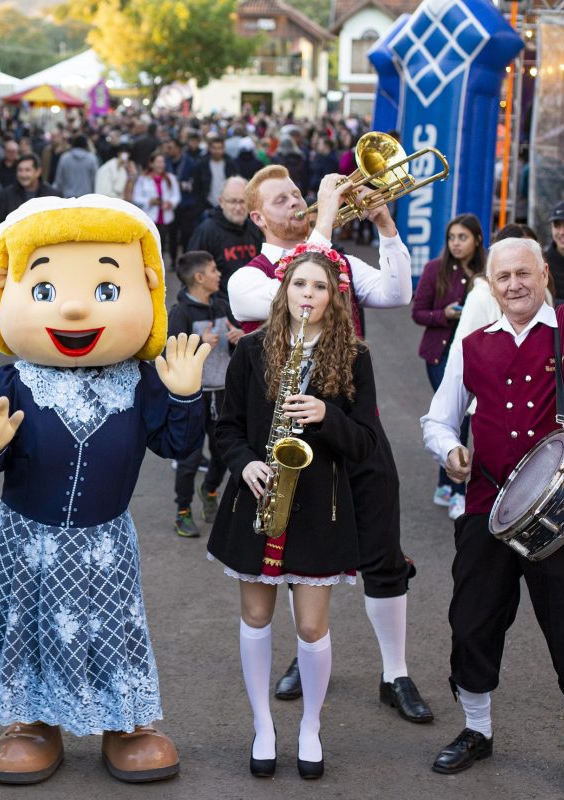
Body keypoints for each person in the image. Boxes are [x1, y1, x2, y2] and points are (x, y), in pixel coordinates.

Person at [0, 194, 207, 785]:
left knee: (111, 628)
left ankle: (124, 722)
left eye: (105, 291)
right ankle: (32, 723)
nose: (72, 309)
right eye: (43, 292)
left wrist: (186, 395)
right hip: (24, 540)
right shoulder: (16, 379)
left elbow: (175, 446)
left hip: (103, 543)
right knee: (28, 626)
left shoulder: (136, 377)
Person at [420, 128, 564, 796]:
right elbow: (437, 417)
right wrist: (449, 449)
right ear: (491, 283)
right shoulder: (474, 339)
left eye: (525, 272)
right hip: (486, 506)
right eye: (503, 275)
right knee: (473, 623)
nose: (514, 283)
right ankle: (478, 729)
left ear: (546, 275)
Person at [227, 166, 429, 721]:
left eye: (300, 194)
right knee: (300, 555)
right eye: (283, 199)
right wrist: (329, 218)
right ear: (257, 216)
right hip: (290, 441)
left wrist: (385, 222)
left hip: (356, 430)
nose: (298, 203)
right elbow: (299, 289)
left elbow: (395, 291)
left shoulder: (335, 259)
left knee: (383, 553)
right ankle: (305, 653)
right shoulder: (249, 278)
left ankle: (396, 672)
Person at [209, 245, 380, 780]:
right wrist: (243, 466)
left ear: (335, 297)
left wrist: (327, 414)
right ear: (285, 291)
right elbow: (226, 427)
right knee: (256, 617)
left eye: (321, 288)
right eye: (301, 285)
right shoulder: (254, 350)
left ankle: (310, 726)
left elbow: (366, 443)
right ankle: (263, 725)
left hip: (320, 508)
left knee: (310, 627)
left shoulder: (353, 355)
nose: (309, 295)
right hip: (257, 498)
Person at [411, 214, 486, 520]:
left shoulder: (485, 273)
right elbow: (418, 312)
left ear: (477, 240)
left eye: (463, 237)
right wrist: (445, 315)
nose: (456, 243)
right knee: (458, 419)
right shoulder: (434, 269)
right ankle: (458, 491)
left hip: (476, 356)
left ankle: (445, 484)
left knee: (462, 419)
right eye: (452, 237)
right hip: (440, 357)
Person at [168, 251, 242, 536]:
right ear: (199, 278)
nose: (219, 274)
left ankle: (209, 490)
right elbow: (169, 353)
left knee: (224, 452)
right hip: (194, 397)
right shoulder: (181, 313)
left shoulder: (222, 305)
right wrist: (198, 342)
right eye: (213, 270)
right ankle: (182, 511)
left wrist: (238, 339)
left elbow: (235, 344)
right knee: (190, 456)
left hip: (223, 393)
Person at [185, 176, 264, 292]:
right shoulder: (206, 231)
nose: (238, 207)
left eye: (242, 201)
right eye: (232, 201)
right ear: (221, 202)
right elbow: (191, 274)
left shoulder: (255, 229)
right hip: (218, 305)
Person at [132, 153, 181, 262]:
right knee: (152, 243)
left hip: (166, 216)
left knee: (164, 243)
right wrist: (149, 201)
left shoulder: (170, 178)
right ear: (151, 163)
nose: (161, 165)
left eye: (163, 162)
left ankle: (165, 264)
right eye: (158, 162)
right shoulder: (143, 179)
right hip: (151, 216)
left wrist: (170, 203)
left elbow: (176, 196)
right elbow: (136, 197)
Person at [0, 155, 61, 222]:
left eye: (27, 170)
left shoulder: (52, 195)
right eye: (20, 170)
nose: (23, 175)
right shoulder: (6, 195)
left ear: (38, 172)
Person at [191, 135, 238, 212]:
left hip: (227, 204)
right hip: (207, 205)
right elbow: (196, 187)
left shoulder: (231, 164)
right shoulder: (201, 164)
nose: (217, 151)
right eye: (214, 148)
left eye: (219, 148)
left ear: (223, 149)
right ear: (209, 148)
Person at [53, 134, 98, 199]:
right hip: (86, 198)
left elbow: (59, 179)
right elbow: (95, 179)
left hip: (68, 198)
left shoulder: (65, 158)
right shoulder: (91, 159)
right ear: (86, 145)